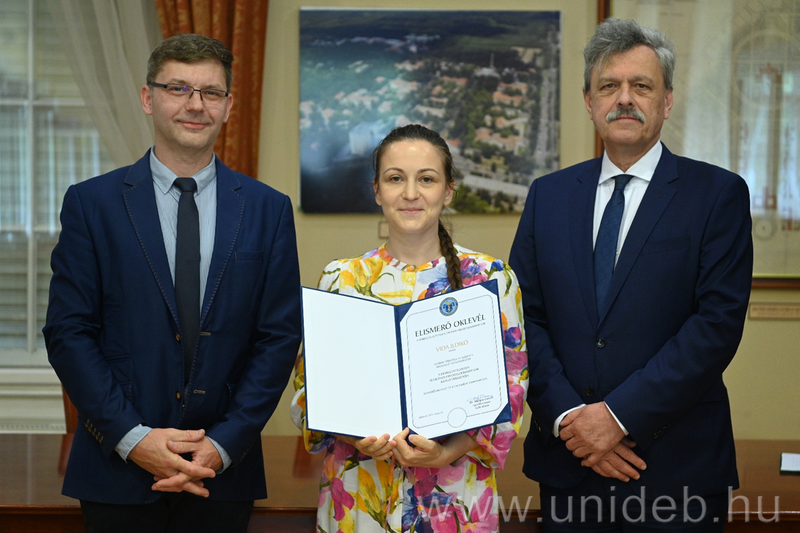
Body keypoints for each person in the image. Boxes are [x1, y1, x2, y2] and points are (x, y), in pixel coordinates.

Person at [43, 33, 301, 533]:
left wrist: (223, 444)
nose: (195, 105)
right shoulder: (91, 204)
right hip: (117, 473)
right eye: (178, 88)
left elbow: (279, 338)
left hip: (221, 474)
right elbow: (69, 332)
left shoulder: (268, 209)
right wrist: (133, 438)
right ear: (148, 98)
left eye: (211, 92)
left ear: (228, 106)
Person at [509, 18, 753, 532]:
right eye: (609, 86)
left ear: (667, 100)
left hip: (677, 469)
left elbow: (716, 325)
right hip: (570, 464)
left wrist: (616, 418)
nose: (624, 99)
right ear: (588, 101)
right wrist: (572, 420)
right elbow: (522, 320)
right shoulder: (547, 196)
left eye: (641, 85)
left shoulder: (717, 194)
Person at [291, 124, 529, 532]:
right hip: (360, 493)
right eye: (395, 178)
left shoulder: (490, 279)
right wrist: (352, 434)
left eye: (427, 179)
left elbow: (513, 391)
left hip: (454, 498)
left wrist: (446, 452)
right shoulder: (340, 280)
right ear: (377, 190)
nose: (411, 193)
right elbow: (306, 392)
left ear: (448, 191)